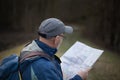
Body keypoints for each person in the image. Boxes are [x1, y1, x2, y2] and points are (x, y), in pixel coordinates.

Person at [19, 18, 90, 80]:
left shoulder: (30, 49)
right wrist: (79, 77)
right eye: (63, 35)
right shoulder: (44, 67)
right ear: (57, 39)